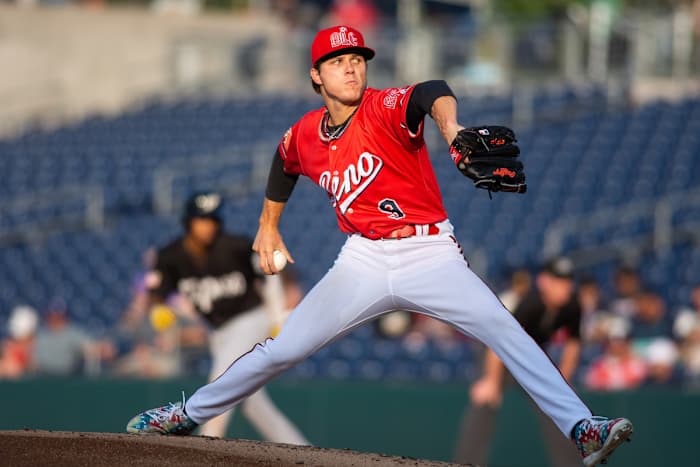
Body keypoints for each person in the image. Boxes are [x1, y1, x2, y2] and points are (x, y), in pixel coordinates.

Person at [126, 25, 632, 466]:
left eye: (356, 60)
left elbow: (431, 89)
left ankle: (583, 428)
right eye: (337, 62)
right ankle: (186, 415)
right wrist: (268, 225)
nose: (351, 69)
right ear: (315, 77)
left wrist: (451, 127)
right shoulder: (304, 132)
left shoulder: (382, 107)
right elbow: (284, 163)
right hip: (363, 258)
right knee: (284, 348)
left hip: (429, 253)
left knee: (504, 327)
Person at [129, 191, 308, 444]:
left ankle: (207, 446)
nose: (207, 226)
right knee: (252, 403)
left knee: (221, 378)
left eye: (212, 220)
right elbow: (157, 293)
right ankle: (300, 449)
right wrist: (159, 308)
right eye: (201, 220)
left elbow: (271, 275)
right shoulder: (171, 256)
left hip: (251, 320)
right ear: (189, 222)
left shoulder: (235, 246)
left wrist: (277, 316)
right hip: (217, 331)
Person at [453, 257, 586, 467]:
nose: (564, 287)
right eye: (558, 281)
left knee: (562, 406)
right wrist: (491, 381)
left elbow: (573, 344)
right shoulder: (531, 304)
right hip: (499, 352)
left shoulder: (572, 305)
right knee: (485, 398)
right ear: (544, 281)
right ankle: (465, 464)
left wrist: (562, 382)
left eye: (567, 282)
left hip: (531, 356)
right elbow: (499, 340)